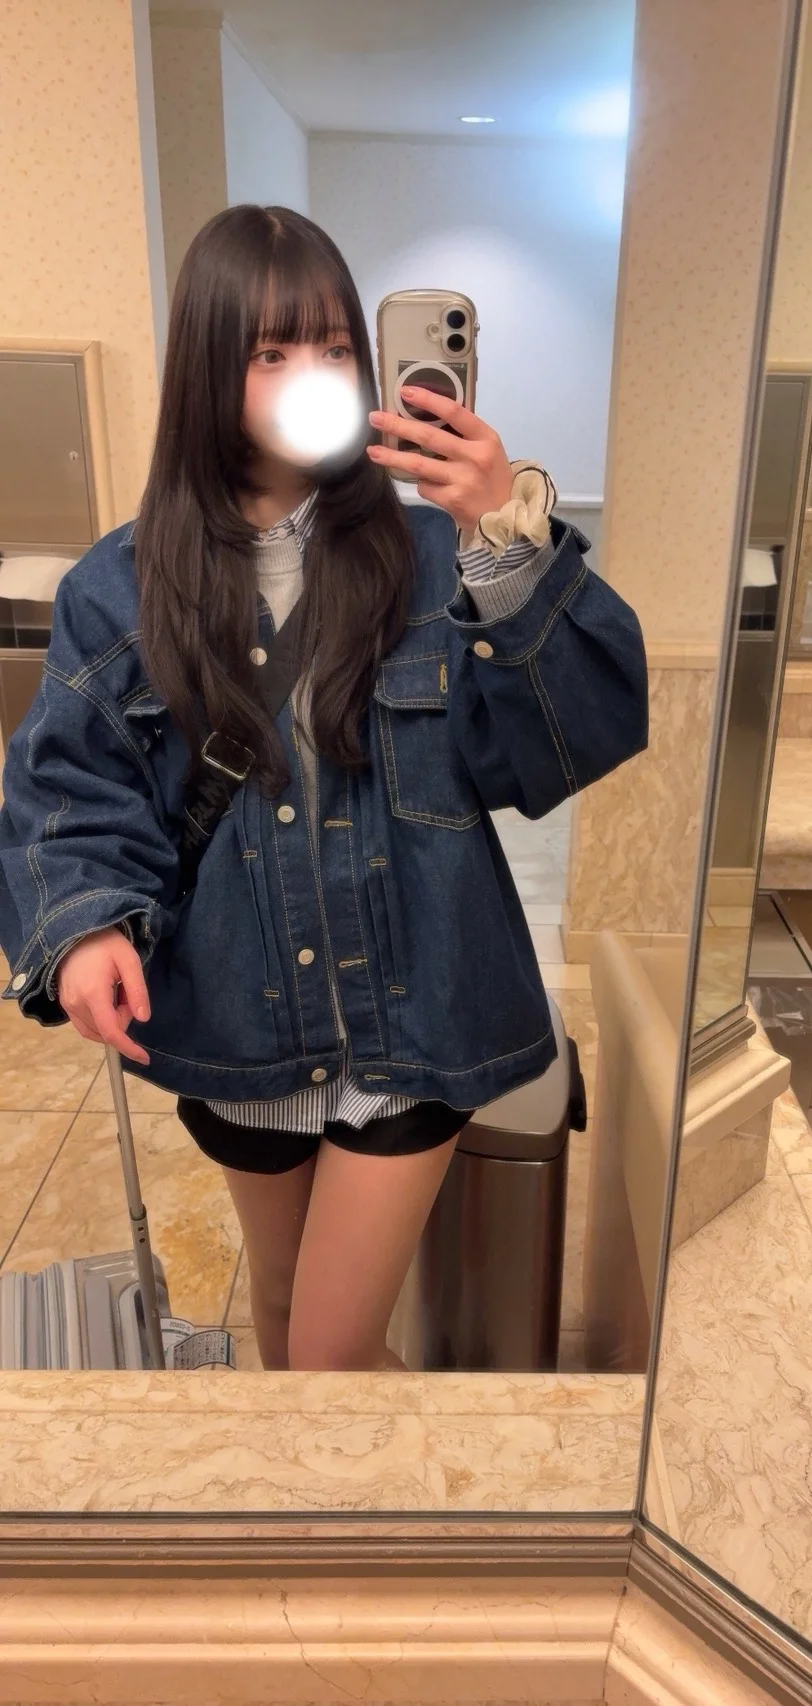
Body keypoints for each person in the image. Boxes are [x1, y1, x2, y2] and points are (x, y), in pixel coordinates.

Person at [0, 206, 648, 1373]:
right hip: (240, 1022)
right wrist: (85, 923)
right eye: (272, 350)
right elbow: (67, 780)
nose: (314, 374)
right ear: (211, 368)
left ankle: (423, 1488)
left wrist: (503, 534)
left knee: (328, 1354)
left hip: (421, 1013)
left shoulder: (440, 555)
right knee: (284, 1305)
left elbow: (568, 739)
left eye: (335, 347)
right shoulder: (123, 585)